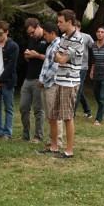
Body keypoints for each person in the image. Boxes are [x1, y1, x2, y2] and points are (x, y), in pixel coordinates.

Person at [49, 9, 84, 159]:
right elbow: (53, 55)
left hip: (69, 83)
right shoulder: (63, 37)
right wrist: (59, 55)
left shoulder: (78, 39)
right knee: (53, 116)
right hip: (59, 80)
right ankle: (54, 147)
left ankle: (69, 151)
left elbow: (61, 59)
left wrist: (59, 56)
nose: (58, 25)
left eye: (60, 22)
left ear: (69, 22)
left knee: (67, 117)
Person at [19, 18, 49, 143]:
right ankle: (25, 135)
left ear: (38, 26)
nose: (31, 35)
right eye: (29, 34)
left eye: (32, 32)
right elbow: (29, 58)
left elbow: (51, 58)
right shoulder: (31, 39)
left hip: (40, 78)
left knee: (38, 109)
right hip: (28, 77)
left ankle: (38, 136)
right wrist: (27, 55)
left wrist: (37, 55)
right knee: (23, 107)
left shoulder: (47, 39)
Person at [36, 22, 64, 152]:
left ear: (52, 33)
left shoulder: (58, 45)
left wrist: (43, 80)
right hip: (46, 84)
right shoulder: (50, 45)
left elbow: (54, 67)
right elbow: (46, 65)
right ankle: (52, 140)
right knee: (49, 115)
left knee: (54, 115)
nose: (45, 37)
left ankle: (57, 142)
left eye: (46, 34)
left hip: (52, 84)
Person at [74, 20, 94, 118]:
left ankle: (71, 114)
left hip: (82, 67)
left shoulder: (86, 37)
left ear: (79, 28)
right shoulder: (67, 37)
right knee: (79, 89)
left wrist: (94, 65)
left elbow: (94, 48)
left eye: (76, 28)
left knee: (77, 90)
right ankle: (87, 110)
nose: (74, 30)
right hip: (72, 67)